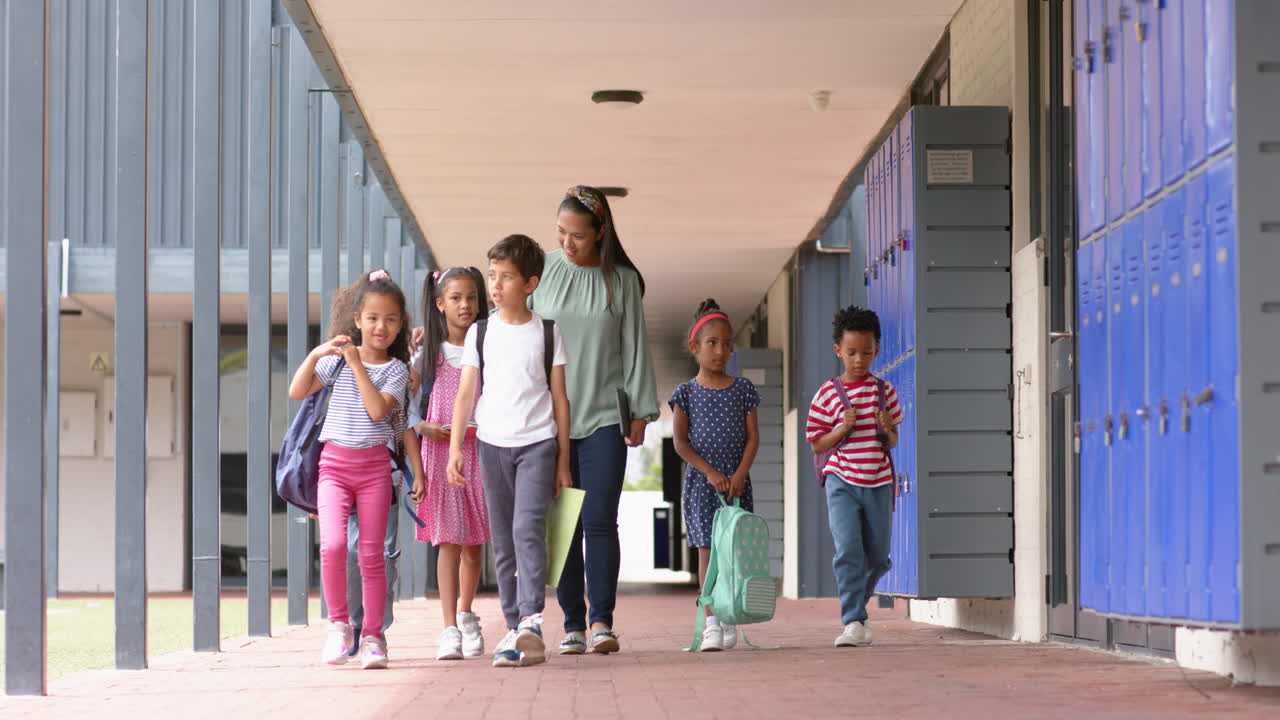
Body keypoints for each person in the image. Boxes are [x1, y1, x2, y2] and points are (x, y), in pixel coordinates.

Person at [531, 185, 659, 655]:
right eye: (561, 233)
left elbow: (635, 348)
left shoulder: (621, 280)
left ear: (600, 233)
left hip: (605, 414)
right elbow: (512, 327)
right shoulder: (539, 271)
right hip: (549, 421)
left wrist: (641, 412)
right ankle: (572, 625)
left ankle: (602, 622)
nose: (567, 243)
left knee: (601, 518)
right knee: (564, 522)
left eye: (578, 236)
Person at [448, 234, 572, 668]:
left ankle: (532, 621)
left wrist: (562, 460)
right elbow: (466, 393)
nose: (495, 286)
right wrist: (454, 450)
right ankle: (511, 628)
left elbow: (559, 399)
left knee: (527, 530)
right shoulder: (480, 333)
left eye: (506, 277)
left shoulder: (549, 333)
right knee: (502, 541)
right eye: (492, 276)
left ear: (531, 283)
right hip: (490, 445)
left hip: (537, 444)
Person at [287, 269, 420, 669]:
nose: (382, 327)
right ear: (357, 319)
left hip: (375, 469)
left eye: (391, 319)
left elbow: (377, 410)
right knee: (331, 547)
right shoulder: (336, 364)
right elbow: (297, 391)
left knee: (372, 555)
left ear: (400, 325)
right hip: (334, 467)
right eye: (374, 318)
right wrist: (316, 355)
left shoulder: (396, 370)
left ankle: (374, 637)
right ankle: (339, 627)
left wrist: (357, 363)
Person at [805, 306, 902, 648]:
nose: (859, 360)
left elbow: (891, 442)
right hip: (841, 479)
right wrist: (841, 428)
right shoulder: (827, 394)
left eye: (866, 352)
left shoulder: (884, 392)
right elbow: (817, 445)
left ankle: (857, 611)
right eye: (851, 353)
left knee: (878, 557)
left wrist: (889, 429)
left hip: (878, 481)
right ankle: (853, 620)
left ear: (876, 350)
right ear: (838, 351)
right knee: (847, 549)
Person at [408, 265, 492, 661]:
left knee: (475, 544)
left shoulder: (488, 349)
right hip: (442, 456)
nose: (465, 305)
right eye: (456, 298)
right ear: (440, 304)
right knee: (449, 541)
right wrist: (424, 427)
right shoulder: (428, 355)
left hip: (482, 451)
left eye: (471, 297)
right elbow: (405, 409)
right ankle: (448, 629)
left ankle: (466, 612)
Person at [669, 299, 761, 652]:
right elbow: (680, 443)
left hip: (737, 485)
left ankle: (730, 613)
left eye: (726, 344)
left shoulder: (743, 390)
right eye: (712, 343)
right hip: (703, 486)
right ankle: (710, 621)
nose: (720, 351)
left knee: (735, 551)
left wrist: (739, 474)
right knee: (708, 551)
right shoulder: (686, 393)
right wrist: (710, 473)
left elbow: (753, 437)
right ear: (695, 347)